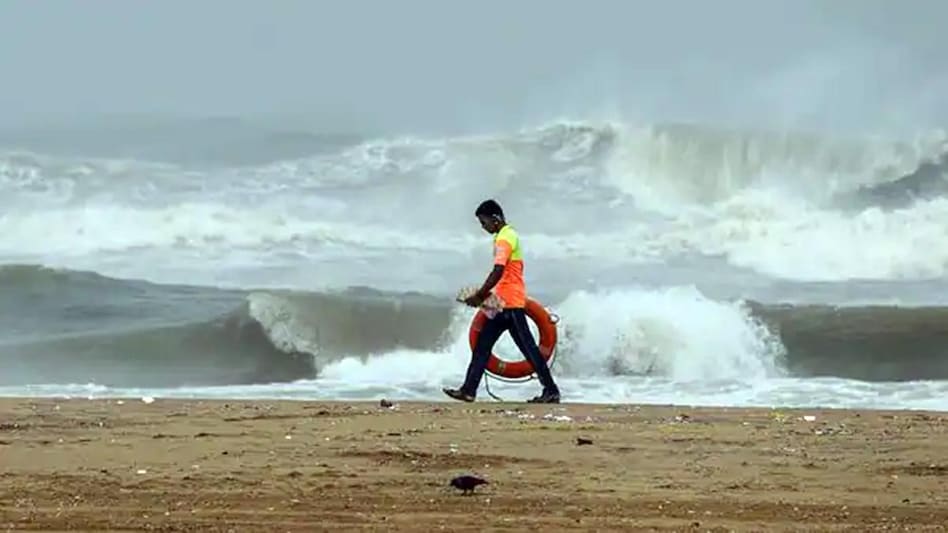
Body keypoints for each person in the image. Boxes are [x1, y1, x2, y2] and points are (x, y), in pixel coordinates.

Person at [442, 199, 562, 404]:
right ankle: (468, 390)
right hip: (501, 305)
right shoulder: (505, 236)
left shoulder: (505, 238)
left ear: (496, 219)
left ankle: (551, 391)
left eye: (484, 222)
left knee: (529, 350)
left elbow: (498, 271)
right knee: (482, 347)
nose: (483, 227)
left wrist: (480, 295)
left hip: (512, 305)